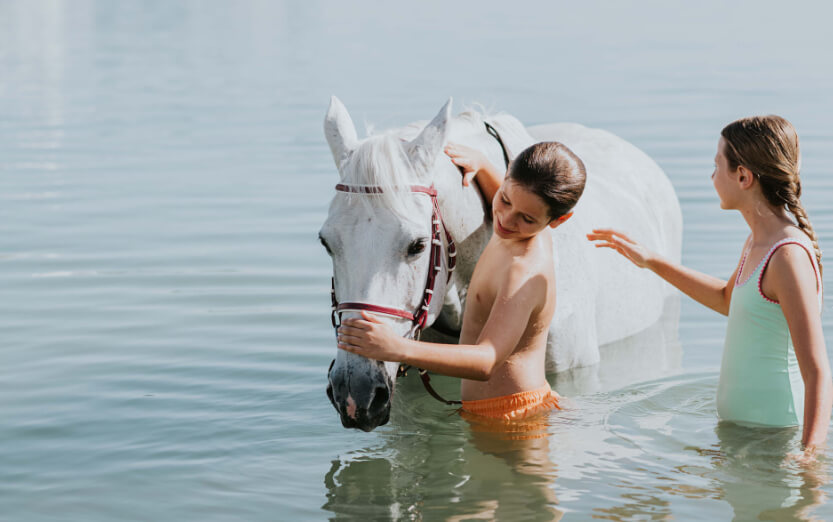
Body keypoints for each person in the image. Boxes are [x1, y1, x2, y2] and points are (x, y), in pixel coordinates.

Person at [587, 115, 832, 457]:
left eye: (717, 165)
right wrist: (650, 260)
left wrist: (809, 457)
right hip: (743, 438)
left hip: (777, 443)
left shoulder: (787, 255)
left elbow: (818, 371)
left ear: (743, 176)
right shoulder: (757, 242)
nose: (712, 176)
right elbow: (726, 299)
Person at [336, 140, 587, 423]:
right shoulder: (520, 227)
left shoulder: (524, 270)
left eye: (526, 218)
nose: (505, 218)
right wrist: (481, 163)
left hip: (511, 416)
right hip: (496, 410)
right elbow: (516, 202)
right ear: (505, 180)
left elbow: (487, 360)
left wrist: (395, 347)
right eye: (504, 199)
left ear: (558, 220)